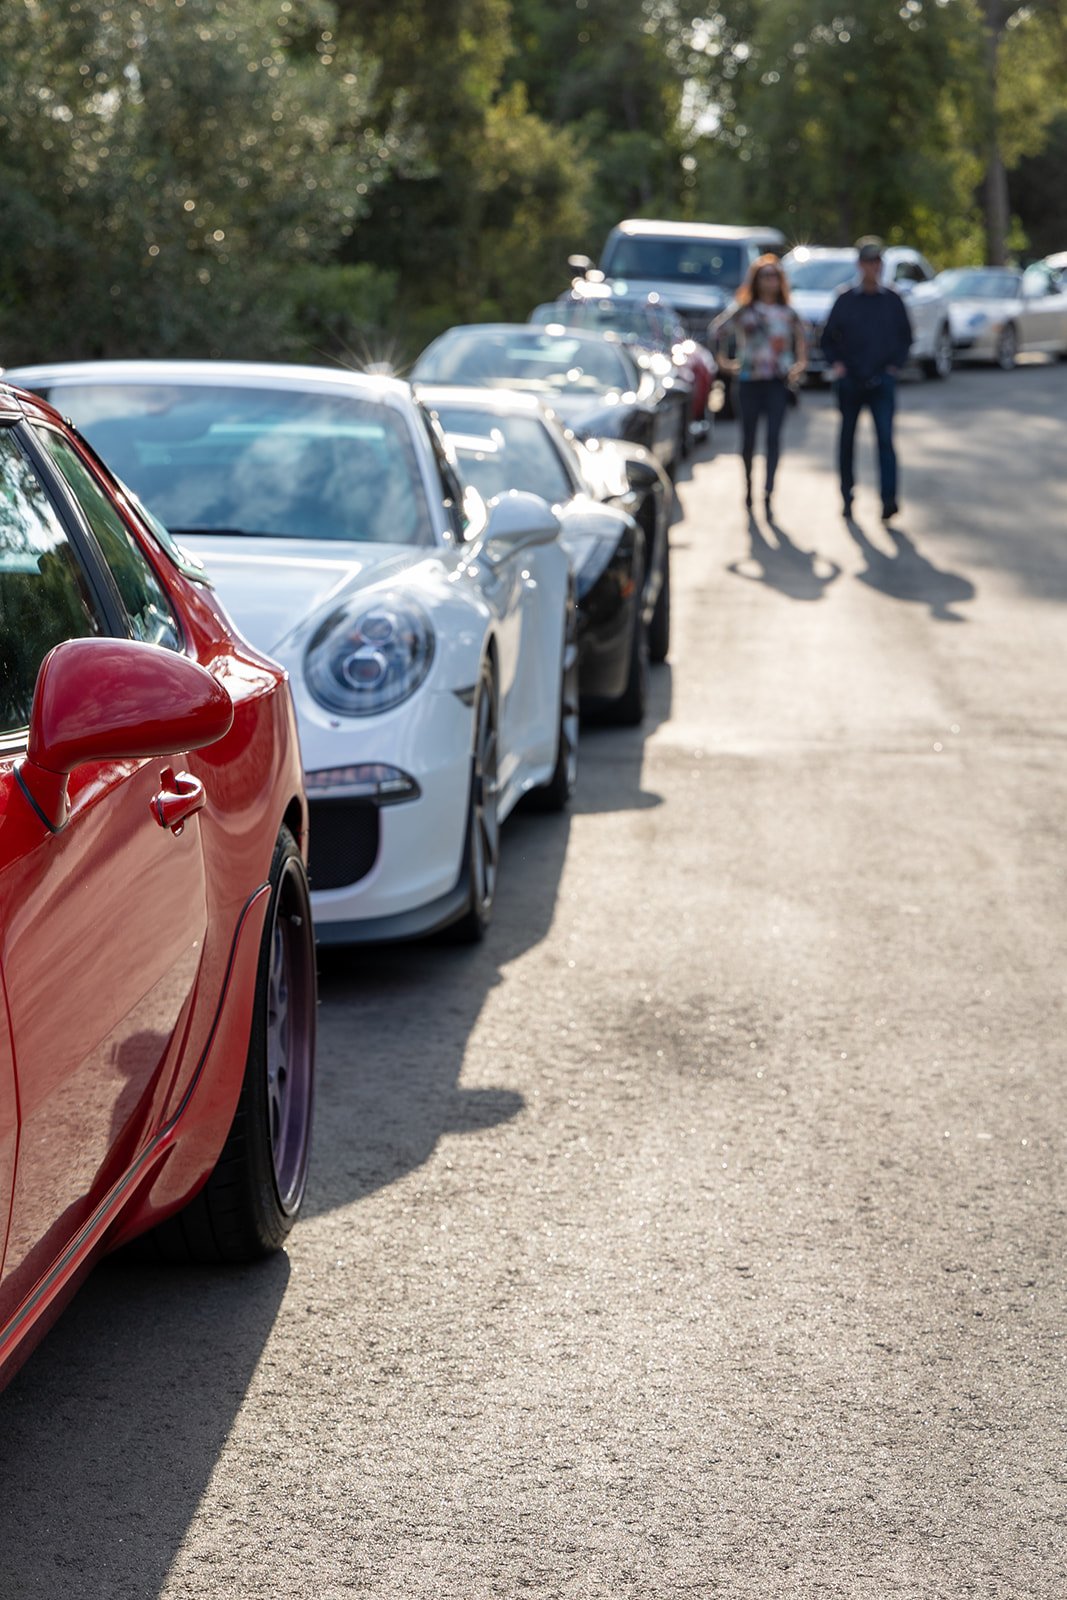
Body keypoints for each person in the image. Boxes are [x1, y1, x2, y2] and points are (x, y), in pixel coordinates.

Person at [821, 237, 913, 522]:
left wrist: (894, 367)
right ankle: (847, 496)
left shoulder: (893, 300)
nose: (875, 267)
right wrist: (837, 365)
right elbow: (827, 339)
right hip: (850, 382)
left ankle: (889, 500)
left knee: (885, 440)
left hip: (881, 381)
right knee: (847, 440)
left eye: (878, 262)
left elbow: (905, 338)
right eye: (869, 262)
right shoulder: (846, 299)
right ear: (860, 265)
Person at [713, 255, 807, 517]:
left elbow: (803, 336)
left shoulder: (787, 312)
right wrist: (724, 362)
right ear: (756, 280)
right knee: (749, 440)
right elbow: (717, 331)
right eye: (765, 276)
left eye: (774, 276)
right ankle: (749, 486)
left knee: (773, 438)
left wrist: (799, 364)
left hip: (777, 381)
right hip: (748, 381)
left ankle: (768, 491)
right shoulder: (745, 311)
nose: (770, 281)